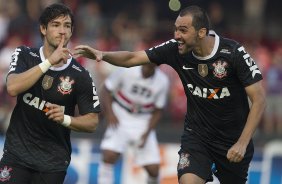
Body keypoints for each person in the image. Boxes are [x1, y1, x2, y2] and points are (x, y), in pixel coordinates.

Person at [74, 5, 266, 184]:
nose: (177, 35)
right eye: (176, 29)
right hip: (198, 137)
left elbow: (259, 100)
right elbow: (134, 57)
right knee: (188, 181)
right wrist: (102, 54)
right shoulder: (175, 49)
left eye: (183, 30)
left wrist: (242, 143)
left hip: (232, 141)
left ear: (201, 32)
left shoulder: (233, 52)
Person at [0, 3, 100, 184]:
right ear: (43, 29)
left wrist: (66, 119)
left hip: (52, 163)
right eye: (56, 25)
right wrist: (49, 63)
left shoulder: (80, 74)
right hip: (17, 155)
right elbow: (13, 87)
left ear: (71, 32)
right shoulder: (24, 54)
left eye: (67, 26)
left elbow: (92, 121)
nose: (62, 31)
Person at [98, 63, 169, 184]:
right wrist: (110, 114)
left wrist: (147, 132)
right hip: (120, 113)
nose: (147, 68)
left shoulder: (162, 80)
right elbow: (106, 89)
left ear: (156, 66)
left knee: (153, 169)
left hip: (143, 119)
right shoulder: (126, 69)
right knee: (108, 155)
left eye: (151, 65)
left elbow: (158, 110)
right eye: (146, 64)